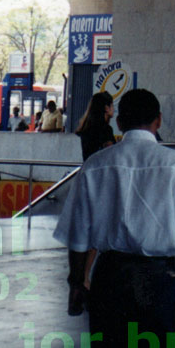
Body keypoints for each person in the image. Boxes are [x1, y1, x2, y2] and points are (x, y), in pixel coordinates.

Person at [54, 88, 175, 348]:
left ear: (118, 122)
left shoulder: (95, 166)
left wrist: (77, 283)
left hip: (109, 278)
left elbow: (78, 238)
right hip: (159, 280)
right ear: (160, 121)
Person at [66, 91, 119, 315]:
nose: (113, 109)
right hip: (102, 181)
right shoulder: (106, 130)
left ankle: (77, 277)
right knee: (97, 231)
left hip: (85, 178)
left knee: (82, 230)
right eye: (111, 106)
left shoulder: (86, 127)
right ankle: (85, 277)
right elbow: (110, 154)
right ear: (105, 108)